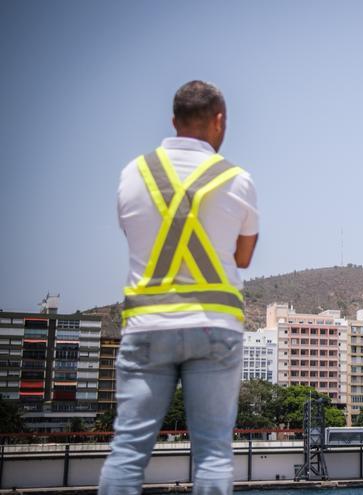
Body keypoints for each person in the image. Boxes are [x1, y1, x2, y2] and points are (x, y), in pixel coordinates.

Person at [100, 80, 258, 495]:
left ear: (173, 122)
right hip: (214, 329)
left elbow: (133, 233)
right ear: (220, 121)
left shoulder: (132, 174)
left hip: (147, 328)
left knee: (128, 452)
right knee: (213, 455)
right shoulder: (237, 180)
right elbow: (243, 258)